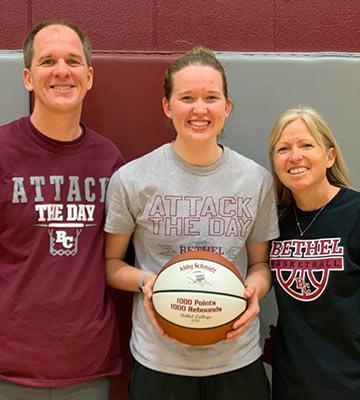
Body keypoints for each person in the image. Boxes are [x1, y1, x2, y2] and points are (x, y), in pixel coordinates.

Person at [104, 46, 279, 400]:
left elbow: (261, 265)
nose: (200, 109)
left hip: (237, 359)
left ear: (227, 107)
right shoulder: (132, 178)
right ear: (168, 106)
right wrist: (147, 281)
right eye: (187, 97)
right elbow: (111, 265)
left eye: (211, 97)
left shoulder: (256, 180)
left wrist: (253, 293)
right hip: (159, 362)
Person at [0, 19, 125, 399]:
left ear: (88, 77)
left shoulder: (110, 160)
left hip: (85, 367)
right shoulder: (2, 150)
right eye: (47, 61)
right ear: (27, 77)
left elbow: (117, 258)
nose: (61, 71)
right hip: (9, 367)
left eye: (72, 61)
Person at [268, 106, 359, 400]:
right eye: (283, 148)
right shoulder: (274, 223)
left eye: (306, 145)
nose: (294, 156)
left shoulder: (355, 213)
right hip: (291, 387)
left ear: (329, 156)